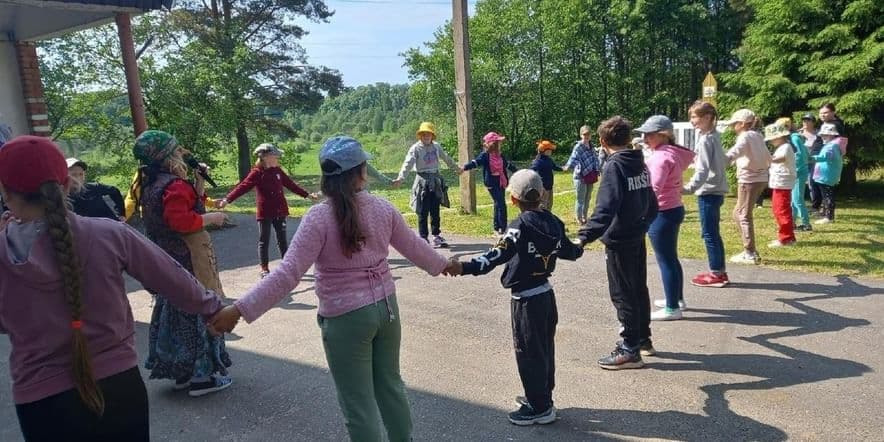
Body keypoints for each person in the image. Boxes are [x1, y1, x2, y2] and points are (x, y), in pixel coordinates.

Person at [210, 136, 456, 442]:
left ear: (327, 178)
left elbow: (288, 274)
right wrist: (445, 264)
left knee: (358, 404)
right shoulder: (383, 208)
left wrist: (240, 308)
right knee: (391, 386)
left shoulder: (318, 218)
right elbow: (416, 248)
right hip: (387, 310)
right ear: (361, 172)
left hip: (346, 319)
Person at [0, 136, 224, 441]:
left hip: (41, 400)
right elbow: (173, 278)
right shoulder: (109, 234)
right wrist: (214, 308)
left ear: (6, 194)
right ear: (68, 185)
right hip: (118, 385)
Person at [446, 169, 582, 425]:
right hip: (546, 296)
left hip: (526, 300)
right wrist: (582, 242)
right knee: (544, 350)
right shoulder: (554, 222)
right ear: (541, 194)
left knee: (528, 353)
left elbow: (495, 256)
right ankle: (543, 397)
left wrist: (464, 267)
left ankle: (538, 408)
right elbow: (571, 251)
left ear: (513, 200)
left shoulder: (518, 227)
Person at [131, 129, 233, 397]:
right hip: (187, 260)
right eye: (177, 151)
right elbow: (181, 221)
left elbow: (187, 208)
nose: (181, 155)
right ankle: (203, 378)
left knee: (175, 314)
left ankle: (182, 373)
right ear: (167, 157)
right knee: (198, 312)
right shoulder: (174, 185)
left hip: (166, 259)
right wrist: (212, 219)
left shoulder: (152, 184)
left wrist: (198, 183)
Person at [577, 116, 658, 369]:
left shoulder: (615, 166)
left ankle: (629, 348)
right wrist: (644, 223)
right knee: (638, 288)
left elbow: (605, 208)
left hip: (620, 239)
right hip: (636, 234)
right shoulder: (638, 163)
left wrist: (583, 236)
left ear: (602, 141)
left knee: (622, 293)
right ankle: (643, 338)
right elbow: (652, 201)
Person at [216, 143, 318, 278]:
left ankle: (287, 266)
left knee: (282, 240)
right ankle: (264, 268)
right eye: (276, 155)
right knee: (264, 240)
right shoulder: (257, 173)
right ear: (266, 157)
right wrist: (227, 200)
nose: (278, 158)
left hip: (280, 210)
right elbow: (243, 187)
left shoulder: (277, 170)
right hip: (265, 212)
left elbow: (291, 185)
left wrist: (308, 195)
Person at [635, 115, 695, 321]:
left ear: (663, 135)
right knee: (671, 258)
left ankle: (672, 308)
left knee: (665, 260)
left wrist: (640, 210)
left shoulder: (660, 157)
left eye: (649, 134)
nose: (645, 138)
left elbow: (653, 189)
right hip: (674, 208)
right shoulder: (672, 153)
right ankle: (676, 299)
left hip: (662, 212)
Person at [392, 122, 461, 248]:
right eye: (423, 134)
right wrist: (400, 178)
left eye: (428, 134)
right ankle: (423, 238)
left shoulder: (436, 147)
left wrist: (457, 168)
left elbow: (446, 158)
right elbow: (408, 163)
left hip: (435, 180)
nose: (426, 137)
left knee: (435, 210)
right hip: (422, 181)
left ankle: (436, 236)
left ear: (432, 136)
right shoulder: (415, 148)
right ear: (420, 136)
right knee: (422, 211)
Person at [684, 101, 730, 288]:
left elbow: (702, 170)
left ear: (708, 117)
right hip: (716, 189)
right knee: (713, 232)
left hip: (709, 191)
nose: (692, 121)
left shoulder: (705, 140)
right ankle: (719, 270)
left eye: (695, 117)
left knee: (709, 233)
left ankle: (717, 273)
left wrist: (688, 188)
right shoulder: (714, 137)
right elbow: (725, 161)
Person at [723, 109, 770, 265]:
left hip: (749, 179)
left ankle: (749, 252)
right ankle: (749, 249)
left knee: (743, 214)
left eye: (734, 124)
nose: (732, 127)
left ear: (742, 124)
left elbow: (737, 151)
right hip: (760, 177)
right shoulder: (758, 136)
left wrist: (724, 159)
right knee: (737, 213)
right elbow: (767, 157)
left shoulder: (745, 136)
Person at [462, 132, 518, 235]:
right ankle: (503, 228)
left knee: (498, 203)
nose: (500, 144)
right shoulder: (485, 155)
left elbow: (507, 165)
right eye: (498, 142)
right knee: (501, 204)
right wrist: (464, 168)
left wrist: (518, 172)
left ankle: (497, 227)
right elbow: (476, 163)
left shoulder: (500, 155)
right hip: (491, 183)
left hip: (501, 181)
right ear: (493, 144)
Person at [764, 122, 797, 247]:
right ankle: (787, 236)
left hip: (783, 184)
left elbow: (778, 159)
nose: (771, 141)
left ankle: (786, 238)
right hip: (779, 184)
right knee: (778, 210)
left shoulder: (786, 147)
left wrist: (764, 156)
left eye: (772, 139)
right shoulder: (781, 147)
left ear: (779, 136)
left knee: (782, 211)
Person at [777, 117, 812, 231]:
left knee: (798, 199)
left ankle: (806, 224)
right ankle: (792, 223)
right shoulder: (792, 138)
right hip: (795, 172)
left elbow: (800, 155)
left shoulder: (794, 138)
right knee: (793, 200)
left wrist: (795, 169)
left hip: (798, 172)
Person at [562, 125, 600, 224]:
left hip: (591, 175)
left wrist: (597, 169)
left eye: (588, 134)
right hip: (581, 176)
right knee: (580, 199)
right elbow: (573, 158)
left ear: (591, 135)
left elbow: (595, 159)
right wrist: (567, 166)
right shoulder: (578, 146)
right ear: (581, 135)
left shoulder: (592, 146)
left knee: (588, 198)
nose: (586, 136)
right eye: (584, 134)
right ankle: (579, 218)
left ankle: (584, 217)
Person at [811, 123, 843, 224]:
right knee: (826, 196)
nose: (823, 137)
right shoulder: (830, 145)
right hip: (825, 175)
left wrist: (810, 158)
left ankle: (829, 217)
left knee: (828, 196)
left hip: (827, 176)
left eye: (826, 135)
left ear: (832, 135)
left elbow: (826, 157)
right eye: (822, 135)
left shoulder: (832, 146)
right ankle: (826, 215)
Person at [800, 114, 824, 215]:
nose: (805, 122)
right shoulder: (799, 134)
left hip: (814, 163)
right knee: (800, 185)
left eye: (808, 120)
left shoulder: (819, 134)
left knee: (812, 184)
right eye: (804, 120)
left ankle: (816, 207)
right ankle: (799, 206)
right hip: (802, 163)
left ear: (813, 122)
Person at [530, 140, 564, 211]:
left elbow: (554, 167)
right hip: (543, 188)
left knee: (549, 204)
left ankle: (548, 219)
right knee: (542, 206)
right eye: (550, 149)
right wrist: (539, 186)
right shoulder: (538, 161)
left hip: (549, 186)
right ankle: (542, 220)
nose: (551, 151)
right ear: (545, 151)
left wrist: (562, 169)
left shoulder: (549, 159)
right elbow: (532, 172)